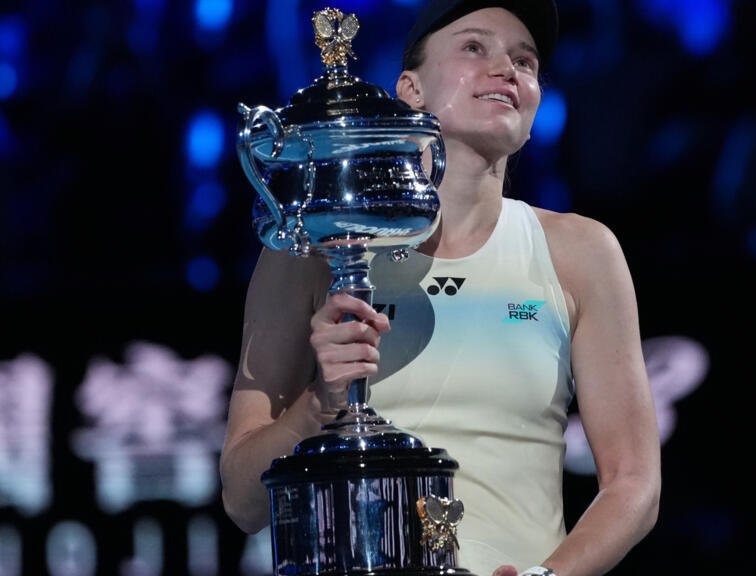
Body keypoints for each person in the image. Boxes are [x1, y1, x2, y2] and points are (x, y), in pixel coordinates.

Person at [219, 1, 661, 575]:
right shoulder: (313, 249)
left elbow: (634, 483)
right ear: (411, 90)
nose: (506, 70)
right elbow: (242, 501)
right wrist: (320, 405)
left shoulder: (582, 253)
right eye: (475, 47)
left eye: (525, 61)